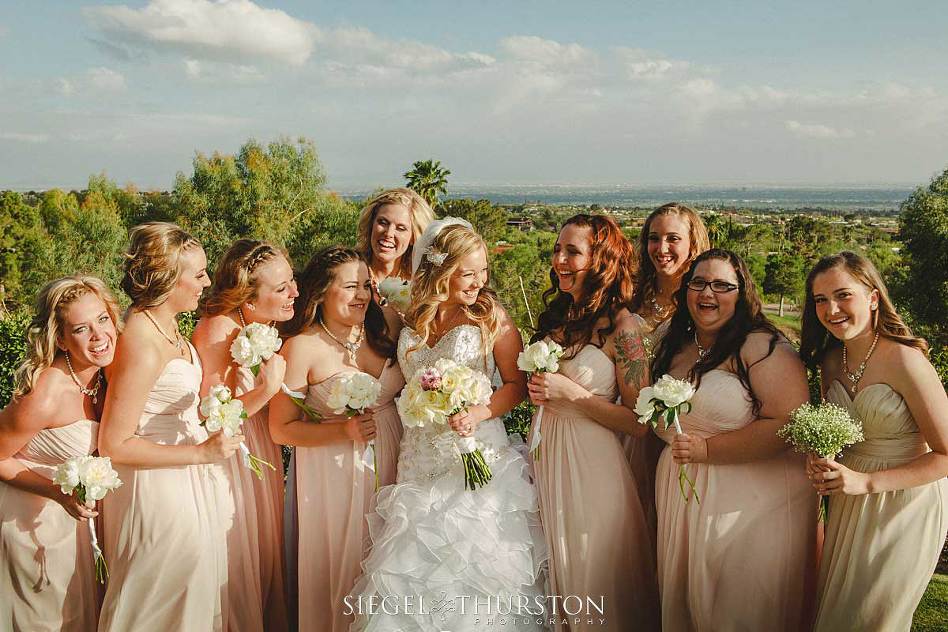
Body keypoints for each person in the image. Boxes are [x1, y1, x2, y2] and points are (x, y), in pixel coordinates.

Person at [349, 219, 547, 631]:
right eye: (468, 273)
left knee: (473, 566)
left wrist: (478, 413)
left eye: (484, 271)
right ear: (440, 271)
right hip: (419, 459)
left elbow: (516, 384)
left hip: (475, 456)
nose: (479, 282)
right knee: (412, 565)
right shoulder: (412, 314)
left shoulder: (490, 316)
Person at [650, 248, 815, 631]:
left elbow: (788, 423)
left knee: (734, 609)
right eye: (699, 283)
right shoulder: (675, 344)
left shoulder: (763, 347)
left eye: (722, 285)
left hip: (748, 505)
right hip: (682, 494)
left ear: (741, 294)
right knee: (687, 607)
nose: (708, 293)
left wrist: (707, 449)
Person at [98, 222, 242, 631]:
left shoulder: (168, 325)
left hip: (185, 477)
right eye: (198, 275)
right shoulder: (142, 343)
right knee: (158, 600)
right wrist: (200, 453)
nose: (208, 281)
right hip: (155, 488)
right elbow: (114, 444)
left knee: (190, 593)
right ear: (166, 280)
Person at [800, 251, 948, 632]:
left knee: (876, 618)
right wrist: (821, 457)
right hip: (849, 504)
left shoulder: (906, 361)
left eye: (842, 295)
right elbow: (841, 434)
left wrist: (867, 482)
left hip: (904, 503)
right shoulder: (830, 362)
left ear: (872, 297)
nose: (831, 309)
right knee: (839, 616)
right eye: (820, 299)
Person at [527, 213, 659, 631]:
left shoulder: (626, 329)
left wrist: (575, 395)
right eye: (557, 250)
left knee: (590, 579)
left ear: (601, 260)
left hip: (590, 466)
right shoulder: (558, 317)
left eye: (572, 251)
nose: (559, 260)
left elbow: (640, 422)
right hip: (543, 456)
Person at [269, 246, 402, 632]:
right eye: (350, 286)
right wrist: (341, 431)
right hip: (334, 474)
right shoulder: (301, 347)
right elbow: (281, 429)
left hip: (394, 456)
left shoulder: (385, 329)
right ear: (322, 292)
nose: (362, 295)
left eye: (366, 285)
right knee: (343, 568)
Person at [0, 276, 120, 631]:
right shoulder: (46, 393)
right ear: (61, 340)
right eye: (82, 328)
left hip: (79, 523)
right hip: (32, 523)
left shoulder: (105, 376)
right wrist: (57, 491)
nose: (99, 335)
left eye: (103, 319)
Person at [192, 239, 297, 632]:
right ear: (248, 298)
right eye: (282, 287)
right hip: (231, 456)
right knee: (237, 552)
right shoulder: (219, 329)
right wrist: (266, 391)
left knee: (262, 553)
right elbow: (212, 418)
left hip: (259, 448)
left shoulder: (261, 325)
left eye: (293, 281)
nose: (295, 292)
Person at [626, 202, 711, 545]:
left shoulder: (704, 299)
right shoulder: (631, 294)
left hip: (677, 428)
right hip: (628, 424)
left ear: (693, 243)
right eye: (653, 238)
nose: (661, 249)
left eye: (673, 238)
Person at [356, 187, 435, 308]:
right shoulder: (349, 272)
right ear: (371, 224)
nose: (388, 233)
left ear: (414, 237)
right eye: (383, 222)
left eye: (401, 228)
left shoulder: (420, 287)